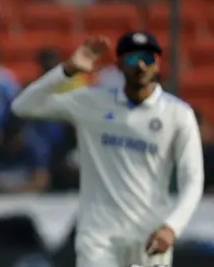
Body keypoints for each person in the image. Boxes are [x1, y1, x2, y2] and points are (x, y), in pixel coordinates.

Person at [11, 32, 204, 267]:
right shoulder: (92, 102)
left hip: (151, 235)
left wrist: (172, 227)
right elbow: (22, 106)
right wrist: (68, 70)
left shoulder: (178, 114)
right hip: (99, 235)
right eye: (133, 59)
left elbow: (193, 179)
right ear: (119, 64)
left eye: (148, 58)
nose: (141, 65)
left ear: (157, 63)